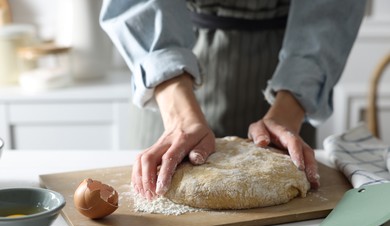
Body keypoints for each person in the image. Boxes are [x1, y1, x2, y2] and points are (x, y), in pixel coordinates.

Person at [100, 0, 366, 201]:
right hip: (169, 78)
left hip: (288, 74)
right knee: (161, 189)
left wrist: (288, 111)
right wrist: (179, 116)